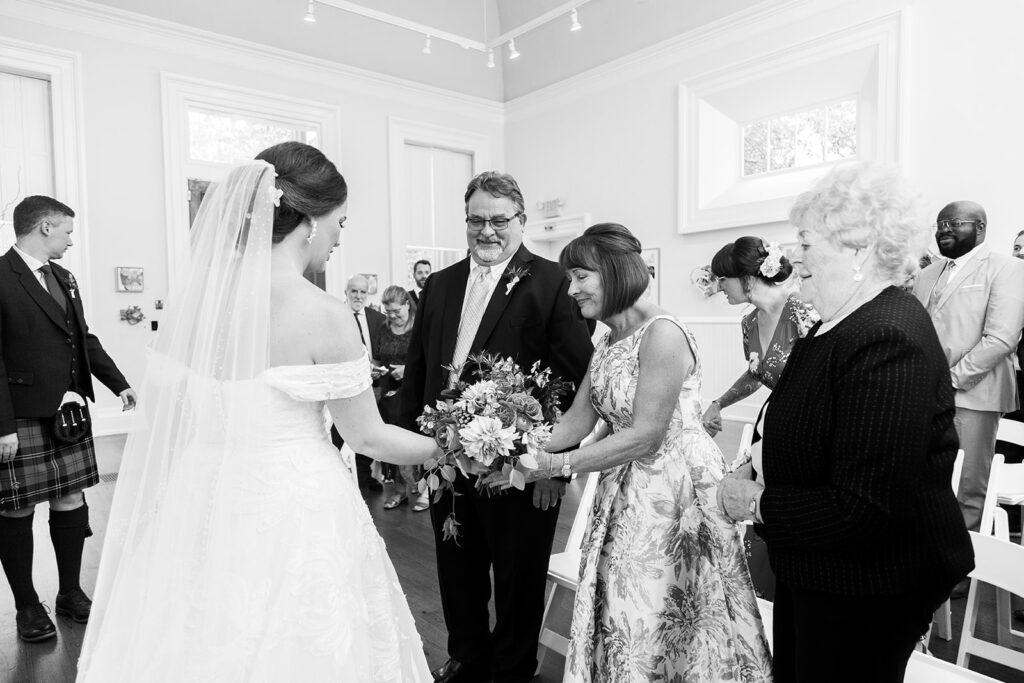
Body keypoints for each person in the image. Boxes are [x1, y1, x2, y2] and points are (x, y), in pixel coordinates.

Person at [77, 142, 440, 681]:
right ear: (310, 222)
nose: (340, 237)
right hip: (295, 506)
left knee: (198, 629)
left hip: (202, 493)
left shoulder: (196, 308)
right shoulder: (324, 314)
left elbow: (177, 418)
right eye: (340, 222)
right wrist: (449, 447)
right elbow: (368, 438)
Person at [719, 163, 974, 682]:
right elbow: (795, 418)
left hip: (867, 583)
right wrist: (754, 464)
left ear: (858, 249)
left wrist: (755, 502)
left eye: (806, 243)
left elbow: (863, 508)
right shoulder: (834, 322)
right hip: (817, 567)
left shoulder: (888, 335)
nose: (792, 257)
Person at [517, 223, 772, 681]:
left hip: (674, 494)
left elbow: (646, 436)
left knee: (658, 613)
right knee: (621, 609)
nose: (571, 290)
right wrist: (512, 448)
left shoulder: (663, 334)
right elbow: (578, 420)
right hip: (623, 485)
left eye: (580, 277)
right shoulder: (606, 340)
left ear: (614, 272)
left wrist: (557, 465)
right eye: (570, 279)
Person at [399, 171, 593, 683]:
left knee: (518, 575)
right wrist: (410, 447)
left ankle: (512, 670)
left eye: (499, 220)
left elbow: (575, 378)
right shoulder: (440, 284)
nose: (487, 230)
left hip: (521, 464)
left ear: (521, 221)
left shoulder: (553, 283)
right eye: (476, 220)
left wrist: (553, 466)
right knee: (455, 567)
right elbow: (419, 367)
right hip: (444, 456)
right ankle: (467, 657)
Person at [0, 196, 137, 643]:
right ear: (44, 227)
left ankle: (70, 593)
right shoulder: (1, 276)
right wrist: (3, 426)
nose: (71, 241)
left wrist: (118, 383)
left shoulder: (64, 277)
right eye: (67, 231)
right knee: (16, 507)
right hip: (20, 415)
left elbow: (82, 337)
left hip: (68, 412)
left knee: (71, 498)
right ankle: (26, 607)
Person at [912, 201, 1024, 542]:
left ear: (980, 228)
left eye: (954, 222)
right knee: (925, 482)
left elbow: (1001, 338)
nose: (944, 229)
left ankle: (962, 566)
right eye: (940, 224)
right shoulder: (926, 274)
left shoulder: (1007, 268)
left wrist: (949, 380)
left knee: (966, 488)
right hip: (923, 394)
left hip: (975, 394)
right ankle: (926, 555)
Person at [699, 237, 813, 438]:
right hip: (782, 421)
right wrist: (718, 404)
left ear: (747, 278)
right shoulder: (749, 323)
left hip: (814, 424)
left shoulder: (801, 310)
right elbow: (757, 374)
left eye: (723, 279)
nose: (719, 287)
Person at [373, 285, 428, 511]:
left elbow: (428, 359)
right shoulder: (383, 328)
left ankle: (426, 489)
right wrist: (374, 370)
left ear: (407, 304)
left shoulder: (420, 327)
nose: (392, 316)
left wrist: (407, 370)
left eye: (396, 311)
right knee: (392, 439)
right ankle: (399, 489)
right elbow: (378, 358)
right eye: (388, 312)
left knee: (418, 437)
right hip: (388, 392)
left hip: (415, 391)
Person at [337, 273, 386, 490]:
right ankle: (343, 477)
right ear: (346, 293)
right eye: (354, 291)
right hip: (344, 387)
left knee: (368, 431)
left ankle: (365, 477)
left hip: (372, 386)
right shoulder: (336, 316)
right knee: (343, 433)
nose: (358, 296)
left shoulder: (377, 318)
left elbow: (381, 350)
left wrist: (378, 371)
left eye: (362, 292)